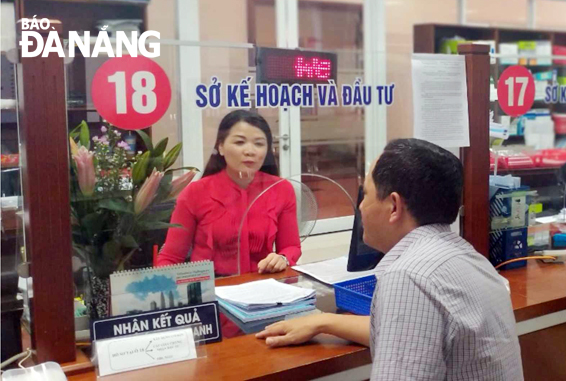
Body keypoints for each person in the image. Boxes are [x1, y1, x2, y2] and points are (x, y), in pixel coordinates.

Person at [256, 139, 523, 380]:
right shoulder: (464, 256)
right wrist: (322, 322)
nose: (360, 206)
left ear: (393, 206)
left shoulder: (407, 276)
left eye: (366, 194)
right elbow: (408, 334)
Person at [157, 110, 301, 276]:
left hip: (262, 286)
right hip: (211, 289)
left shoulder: (281, 189)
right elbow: (170, 257)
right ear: (221, 147)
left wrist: (283, 258)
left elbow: (292, 247)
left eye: (259, 144)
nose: (250, 151)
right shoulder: (195, 193)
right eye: (240, 142)